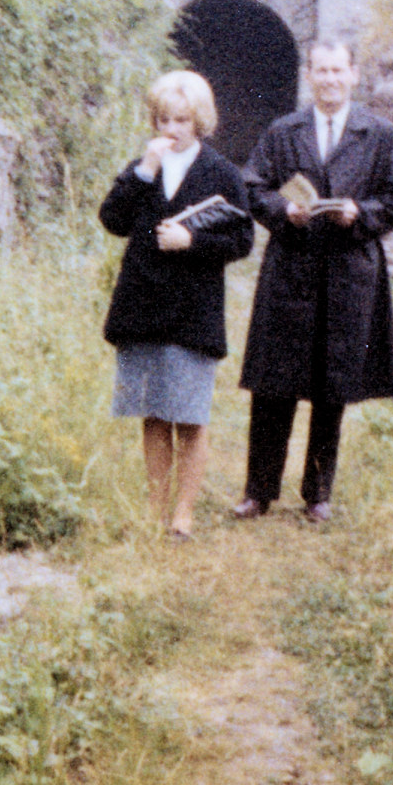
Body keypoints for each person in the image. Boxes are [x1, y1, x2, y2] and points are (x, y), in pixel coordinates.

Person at [232, 40, 393, 523]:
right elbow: (253, 185)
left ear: (354, 74)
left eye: (338, 70)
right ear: (309, 75)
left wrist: (362, 213)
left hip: (349, 271)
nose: (330, 79)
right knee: (274, 381)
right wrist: (281, 210)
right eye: (321, 70)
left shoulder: (378, 133)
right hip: (291, 265)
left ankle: (318, 493)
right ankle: (258, 490)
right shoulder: (283, 130)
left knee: (333, 383)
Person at [101, 70, 253, 539]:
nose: (171, 129)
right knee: (153, 412)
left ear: (200, 121)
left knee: (189, 414)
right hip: (142, 304)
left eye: (182, 120)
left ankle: (183, 512)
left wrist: (192, 240)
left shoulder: (222, 172)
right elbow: (112, 219)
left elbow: (242, 239)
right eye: (164, 119)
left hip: (192, 309)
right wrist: (143, 171)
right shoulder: (143, 168)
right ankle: (154, 506)